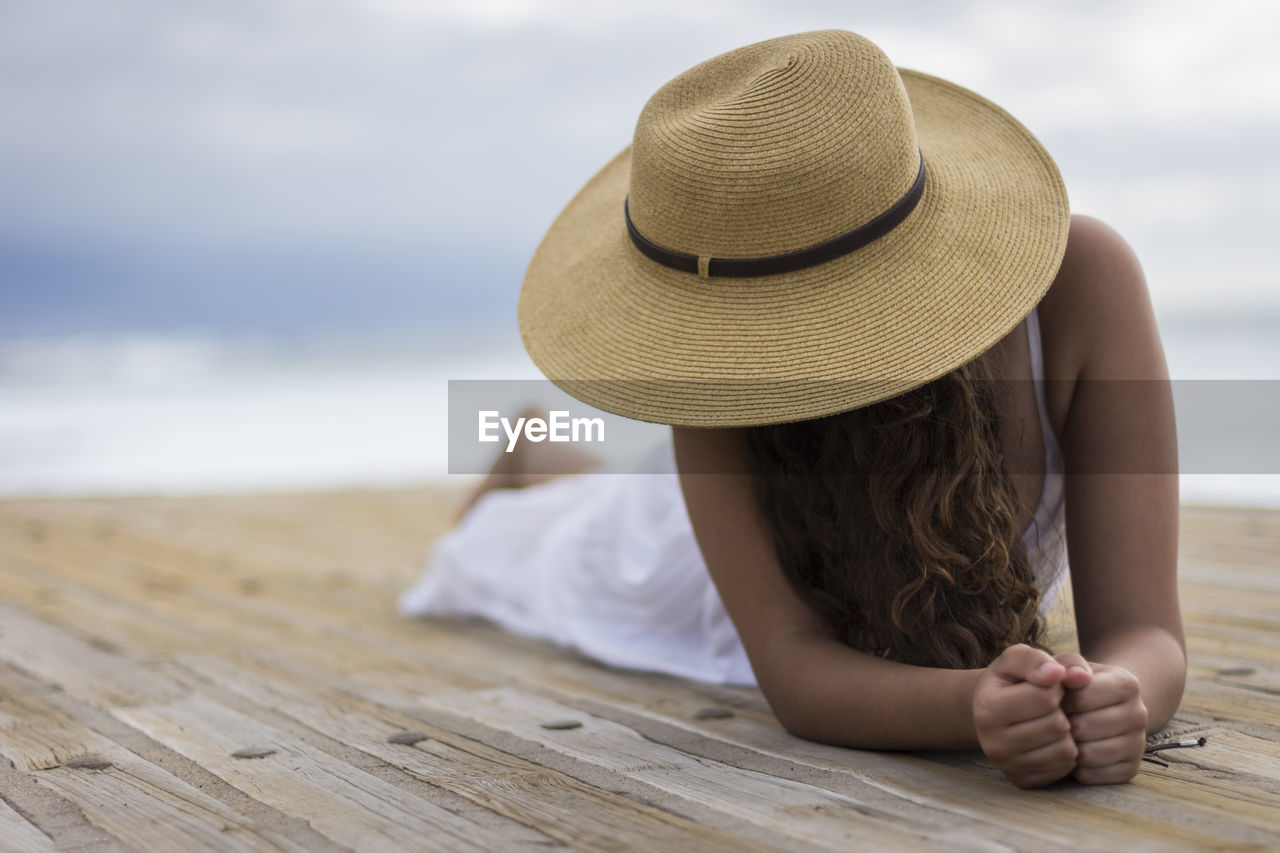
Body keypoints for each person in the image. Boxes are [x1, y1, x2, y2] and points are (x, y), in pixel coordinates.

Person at [401, 29, 1185, 789]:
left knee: (615, 490)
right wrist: (973, 705)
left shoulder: (1081, 285)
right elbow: (793, 666)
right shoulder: (713, 368)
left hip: (670, 500)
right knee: (545, 546)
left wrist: (1116, 692)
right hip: (675, 566)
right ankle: (528, 450)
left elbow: (1147, 633)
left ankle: (538, 451)